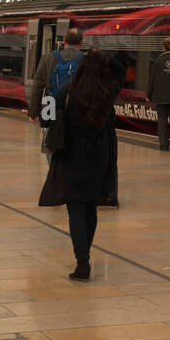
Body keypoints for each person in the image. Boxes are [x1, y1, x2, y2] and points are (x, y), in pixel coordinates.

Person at [38, 49, 123, 281]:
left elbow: (45, 119)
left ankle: (82, 261)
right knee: (90, 207)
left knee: (75, 207)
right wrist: (103, 56)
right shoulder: (106, 96)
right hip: (99, 157)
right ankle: (85, 254)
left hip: (71, 156)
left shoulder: (66, 93)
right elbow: (120, 69)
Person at [28, 27, 84, 128]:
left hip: (50, 104)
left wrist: (33, 112)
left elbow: (37, 86)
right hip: (76, 107)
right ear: (81, 42)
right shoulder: (86, 60)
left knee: (49, 135)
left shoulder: (47, 58)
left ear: (64, 41)